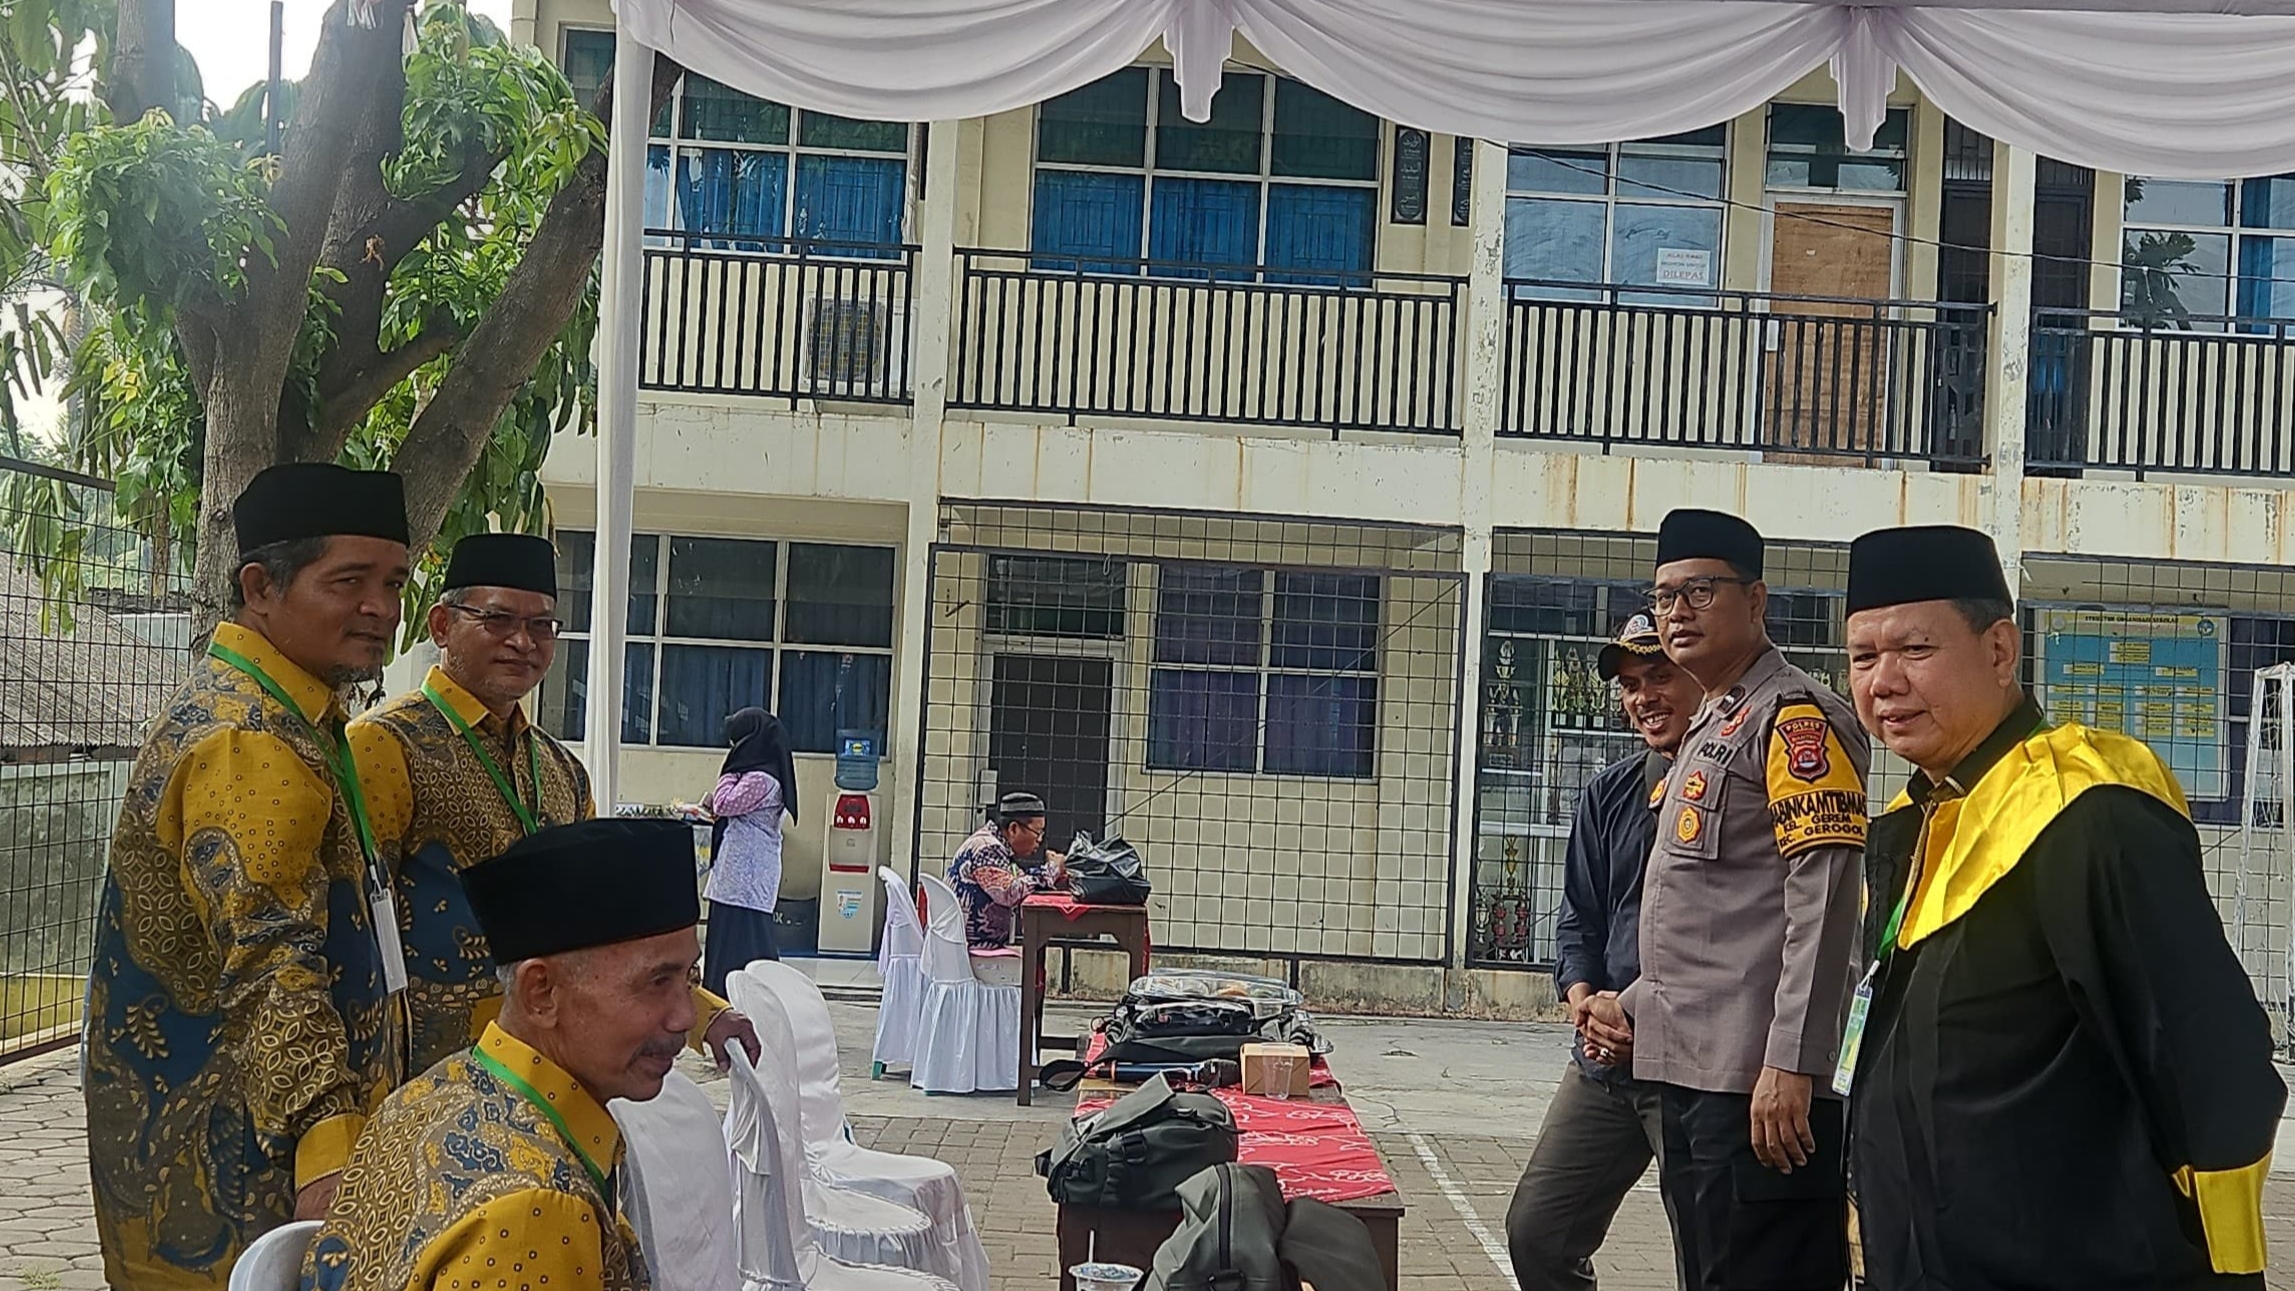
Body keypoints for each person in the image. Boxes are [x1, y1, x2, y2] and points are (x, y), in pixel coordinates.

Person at [1840, 525, 2286, 1290]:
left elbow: (2209, 1063)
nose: (1882, 681)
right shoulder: (1910, 826)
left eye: (1914, 649)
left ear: (1999, 650)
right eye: (1861, 657)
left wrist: (2225, 1267)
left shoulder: (2087, 810)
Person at [85, 463, 413, 1290]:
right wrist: (327, 1143)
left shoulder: (295, 716)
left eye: (394, 582)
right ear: (260, 586)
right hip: (242, 1164)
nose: (381, 607)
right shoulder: (249, 738)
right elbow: (271, 957)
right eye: (349, 581)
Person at [350, 531, 758, 1073]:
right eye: (498, 620)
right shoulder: (385, 746)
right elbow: (348, 927)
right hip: (425, 1073)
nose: (523, 642)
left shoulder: (560, 770)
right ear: (442, 625)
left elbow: (606, 924)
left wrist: (703, 1014)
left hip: (550, 1072)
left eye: (541, 625)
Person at [1586, 508, 1866, 1291]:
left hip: (1757, 1085)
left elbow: (1824, 903)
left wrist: (1792, 1061)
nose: (1676, 612)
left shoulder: (1793, 718)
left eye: (1699, 591)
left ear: (1755, 600)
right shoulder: (1711, 718)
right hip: (1690, 1074)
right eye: (1664, 596)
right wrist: (1630, 1003)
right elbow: (1713, 917)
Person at [300, 817, 703, 1291]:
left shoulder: (421, 1096)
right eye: (657, 982)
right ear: (541, 993)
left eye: (689, 978)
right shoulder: (536, 1210)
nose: (686, 1016)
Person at [1505, 613, 1703, 1291]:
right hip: (1605, 1061)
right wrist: (1583, 1000)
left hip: (1693, 1066)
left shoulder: (1736, 789)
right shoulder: (1609, 792)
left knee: (1710, 1255)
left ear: (1700, 678)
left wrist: (1634, 1010)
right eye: (1629, 684)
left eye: (1658, 677)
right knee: (1537, 1231)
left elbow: (1727, 936)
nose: (1643, 697)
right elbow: (1579, 918)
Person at [701, 706, 798, 992]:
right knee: (730, 941)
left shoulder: (761, 779)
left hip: (746, 876)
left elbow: (724, 804)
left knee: (744, 944)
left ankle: (745, 1000)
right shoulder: (760, 774)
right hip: (739, 874)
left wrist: (729, 773)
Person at [948, 791, 1067, 949]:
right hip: (968, 948)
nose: (1040, 840)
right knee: (1030, 959)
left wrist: (1055, 876)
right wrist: (1053, 868)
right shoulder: (987, 848)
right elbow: (1009, 892)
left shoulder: (994, 846)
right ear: (1013, 829)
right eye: (1037, 832)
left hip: (965, 943)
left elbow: (1020, 880)